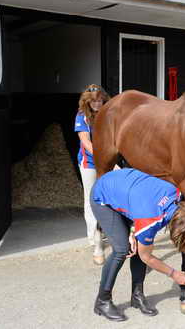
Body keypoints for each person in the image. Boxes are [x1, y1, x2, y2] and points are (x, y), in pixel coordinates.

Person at [91, 168, 185, 322]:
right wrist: (174, 274)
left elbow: (140, 202)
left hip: (125, 188)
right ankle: (102, 301)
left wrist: (133, 230)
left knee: (139, 246)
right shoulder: (151, 219)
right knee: (122, 250)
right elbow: (147, 257)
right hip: (103, 194)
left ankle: (137, 296)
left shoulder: (176, 194)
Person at [75, 84, 110, 265]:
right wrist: (102, 158)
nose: (97, 103)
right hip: (89, 163)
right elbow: (86, 142)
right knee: (91, 198)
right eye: (94, 100)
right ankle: (93, 239)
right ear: (87, 102)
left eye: (100, 100)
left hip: (108, 162)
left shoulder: (108, 115)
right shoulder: (82, 117)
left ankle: (107, 232)